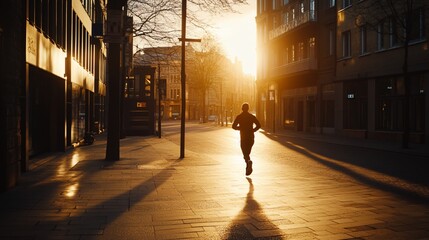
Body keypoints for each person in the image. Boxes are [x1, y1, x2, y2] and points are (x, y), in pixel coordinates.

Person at [232, 103, 261, 176]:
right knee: (247, 153)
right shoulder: (251, 116)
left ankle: (248, 162)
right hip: (251, 137)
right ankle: (248, 167)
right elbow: (259, 125)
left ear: (242, 108)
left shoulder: (239, 117)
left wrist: (241, 128)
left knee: (245, 154)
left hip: (243, 138)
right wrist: (253, 130)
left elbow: (233, 126)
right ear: (248, 108)